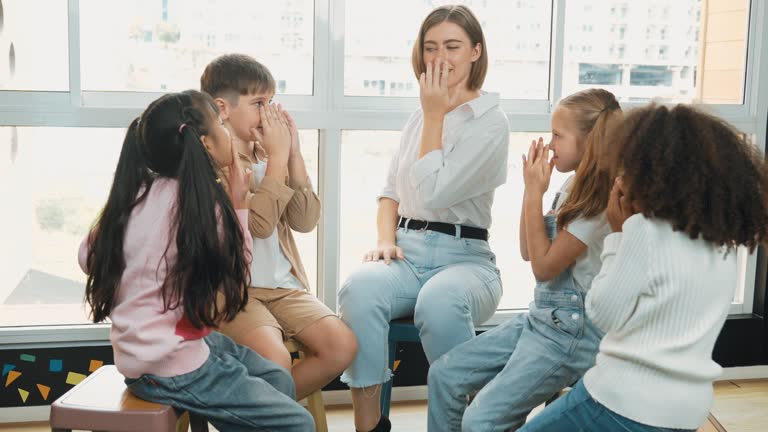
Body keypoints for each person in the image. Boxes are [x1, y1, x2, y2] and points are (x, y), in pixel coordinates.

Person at [520, 103, 768, 432]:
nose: (620, 176)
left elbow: (603, 313)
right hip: (687, 410)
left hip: (620, 401)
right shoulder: (720, 243)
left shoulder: (643, 231)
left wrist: (619, 236)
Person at [79, 90, 314, 431]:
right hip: (173, 367)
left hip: (143, 357)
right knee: (298, 423)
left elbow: (88, 257)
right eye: (221, 124)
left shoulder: (133, 198)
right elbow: (236, 278)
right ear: (205, 143)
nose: (228, 132)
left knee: (277, 377)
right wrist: (239, 206)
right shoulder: (204, 210)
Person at [337, 5, 509, 431]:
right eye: (431, 47)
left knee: (440, 302)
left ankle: (462, 424)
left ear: (475, 52)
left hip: (466, 260)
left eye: (452, 46)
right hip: (407, 254)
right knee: (359, 288)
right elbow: (391, 191)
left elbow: (434, 190)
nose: (440, 57)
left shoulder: (491, 123)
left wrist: (435, 114)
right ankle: (370, 426)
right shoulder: (418, 116)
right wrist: (384, 237)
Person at [427, 88, 621, 431]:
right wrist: (530, 192)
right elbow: (528, 250)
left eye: (558, 136)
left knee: (481, 420)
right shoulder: (573, 185)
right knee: (445, 375)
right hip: (545, 318)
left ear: (589, 142)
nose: (549, 145)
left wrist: (534, 193)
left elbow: (545, 268)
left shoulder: (599, 201)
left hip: (573, 332)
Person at [201, 54, 357, 400]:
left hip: (284, 287)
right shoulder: (211, 161)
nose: (268, 112)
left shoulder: (266, 155)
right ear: (222, 108)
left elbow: (304, 221)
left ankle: (257, 413)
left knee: (341, 346)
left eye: (271, 102)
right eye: (259, 103)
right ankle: (269, 415)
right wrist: (276, 160)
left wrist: (294, 156)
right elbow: (257, 225)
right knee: (276, 359)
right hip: (235, 294)